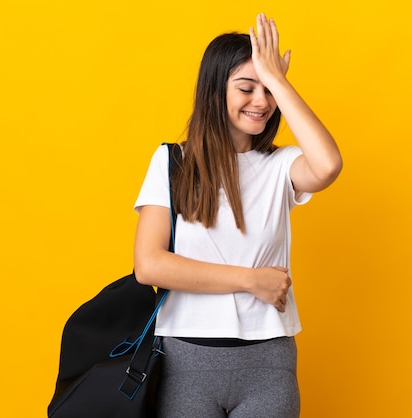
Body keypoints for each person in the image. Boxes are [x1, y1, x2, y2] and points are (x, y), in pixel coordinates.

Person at [133, 13, 342, 418]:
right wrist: (250, 280)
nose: (261, 101)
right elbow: (149, 265)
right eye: (247, 88)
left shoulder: (283, 165)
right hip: (184, 362)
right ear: (214, 91)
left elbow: (329, 165)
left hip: (268, 362)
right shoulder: (172, 162)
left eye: (268, 91)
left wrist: (279, 80)